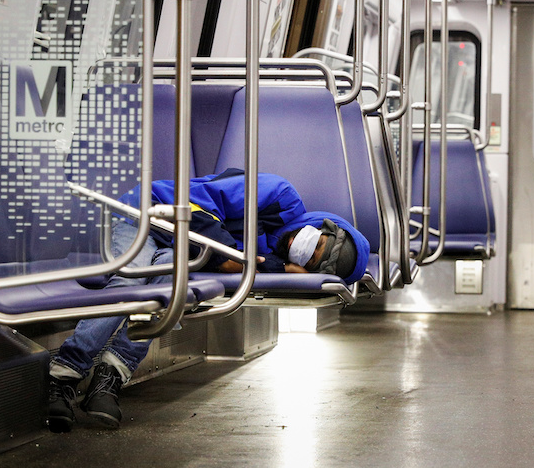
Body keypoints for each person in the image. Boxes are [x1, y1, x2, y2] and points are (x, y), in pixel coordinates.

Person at [46, 169, 369, 432]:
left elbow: (237, 260)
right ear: (326, 226)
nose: (307, 250)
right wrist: (234, 254)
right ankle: (64, 375)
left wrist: (268, 264)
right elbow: (197, 204)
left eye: (312, 260)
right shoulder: (279, 196)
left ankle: (110, 375)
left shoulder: (272, 255)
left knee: (165, 288)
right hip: (147, 216)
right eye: (319, 243)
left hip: (180, 247)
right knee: (131, 275)